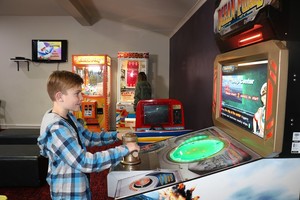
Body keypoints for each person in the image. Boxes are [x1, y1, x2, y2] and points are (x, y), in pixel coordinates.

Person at [37, 70, 140, 200]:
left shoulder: (68, 116)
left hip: (79, 183)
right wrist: (124, 150)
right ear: (59, 97)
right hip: (68, 192)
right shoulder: (57, 129)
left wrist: (116, 135)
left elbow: (88, 137)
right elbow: (85, 162)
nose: (81, 98)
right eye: (77, 94)